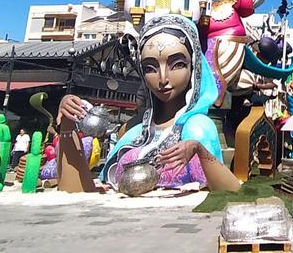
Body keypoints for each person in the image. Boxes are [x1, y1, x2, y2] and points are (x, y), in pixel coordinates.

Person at [63, 14, 241, 192]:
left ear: (194, 67)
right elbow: (75, 191)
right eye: (150, 68)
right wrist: (67, 124)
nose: (163, 78)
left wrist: (198, 150)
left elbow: (224, 195)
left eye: (177, 64)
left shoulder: (197, 128)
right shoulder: (134, 131)